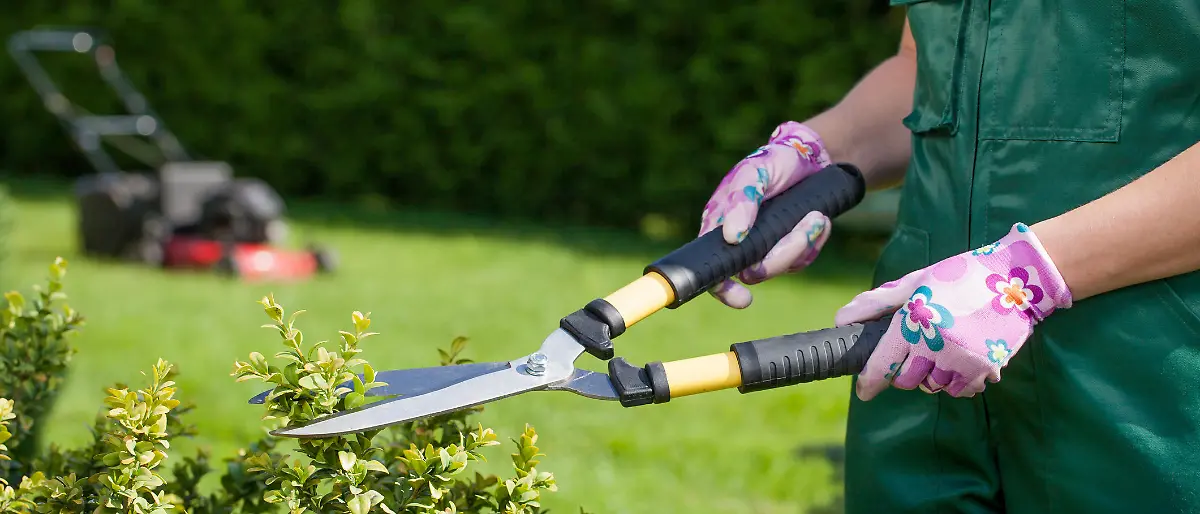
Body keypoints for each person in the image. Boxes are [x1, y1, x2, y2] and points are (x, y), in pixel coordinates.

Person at [700, 3, 1200, 513]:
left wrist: (1024, 274)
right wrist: (821, 150)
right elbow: (925, 67)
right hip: (917, 372)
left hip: (1145, 385)